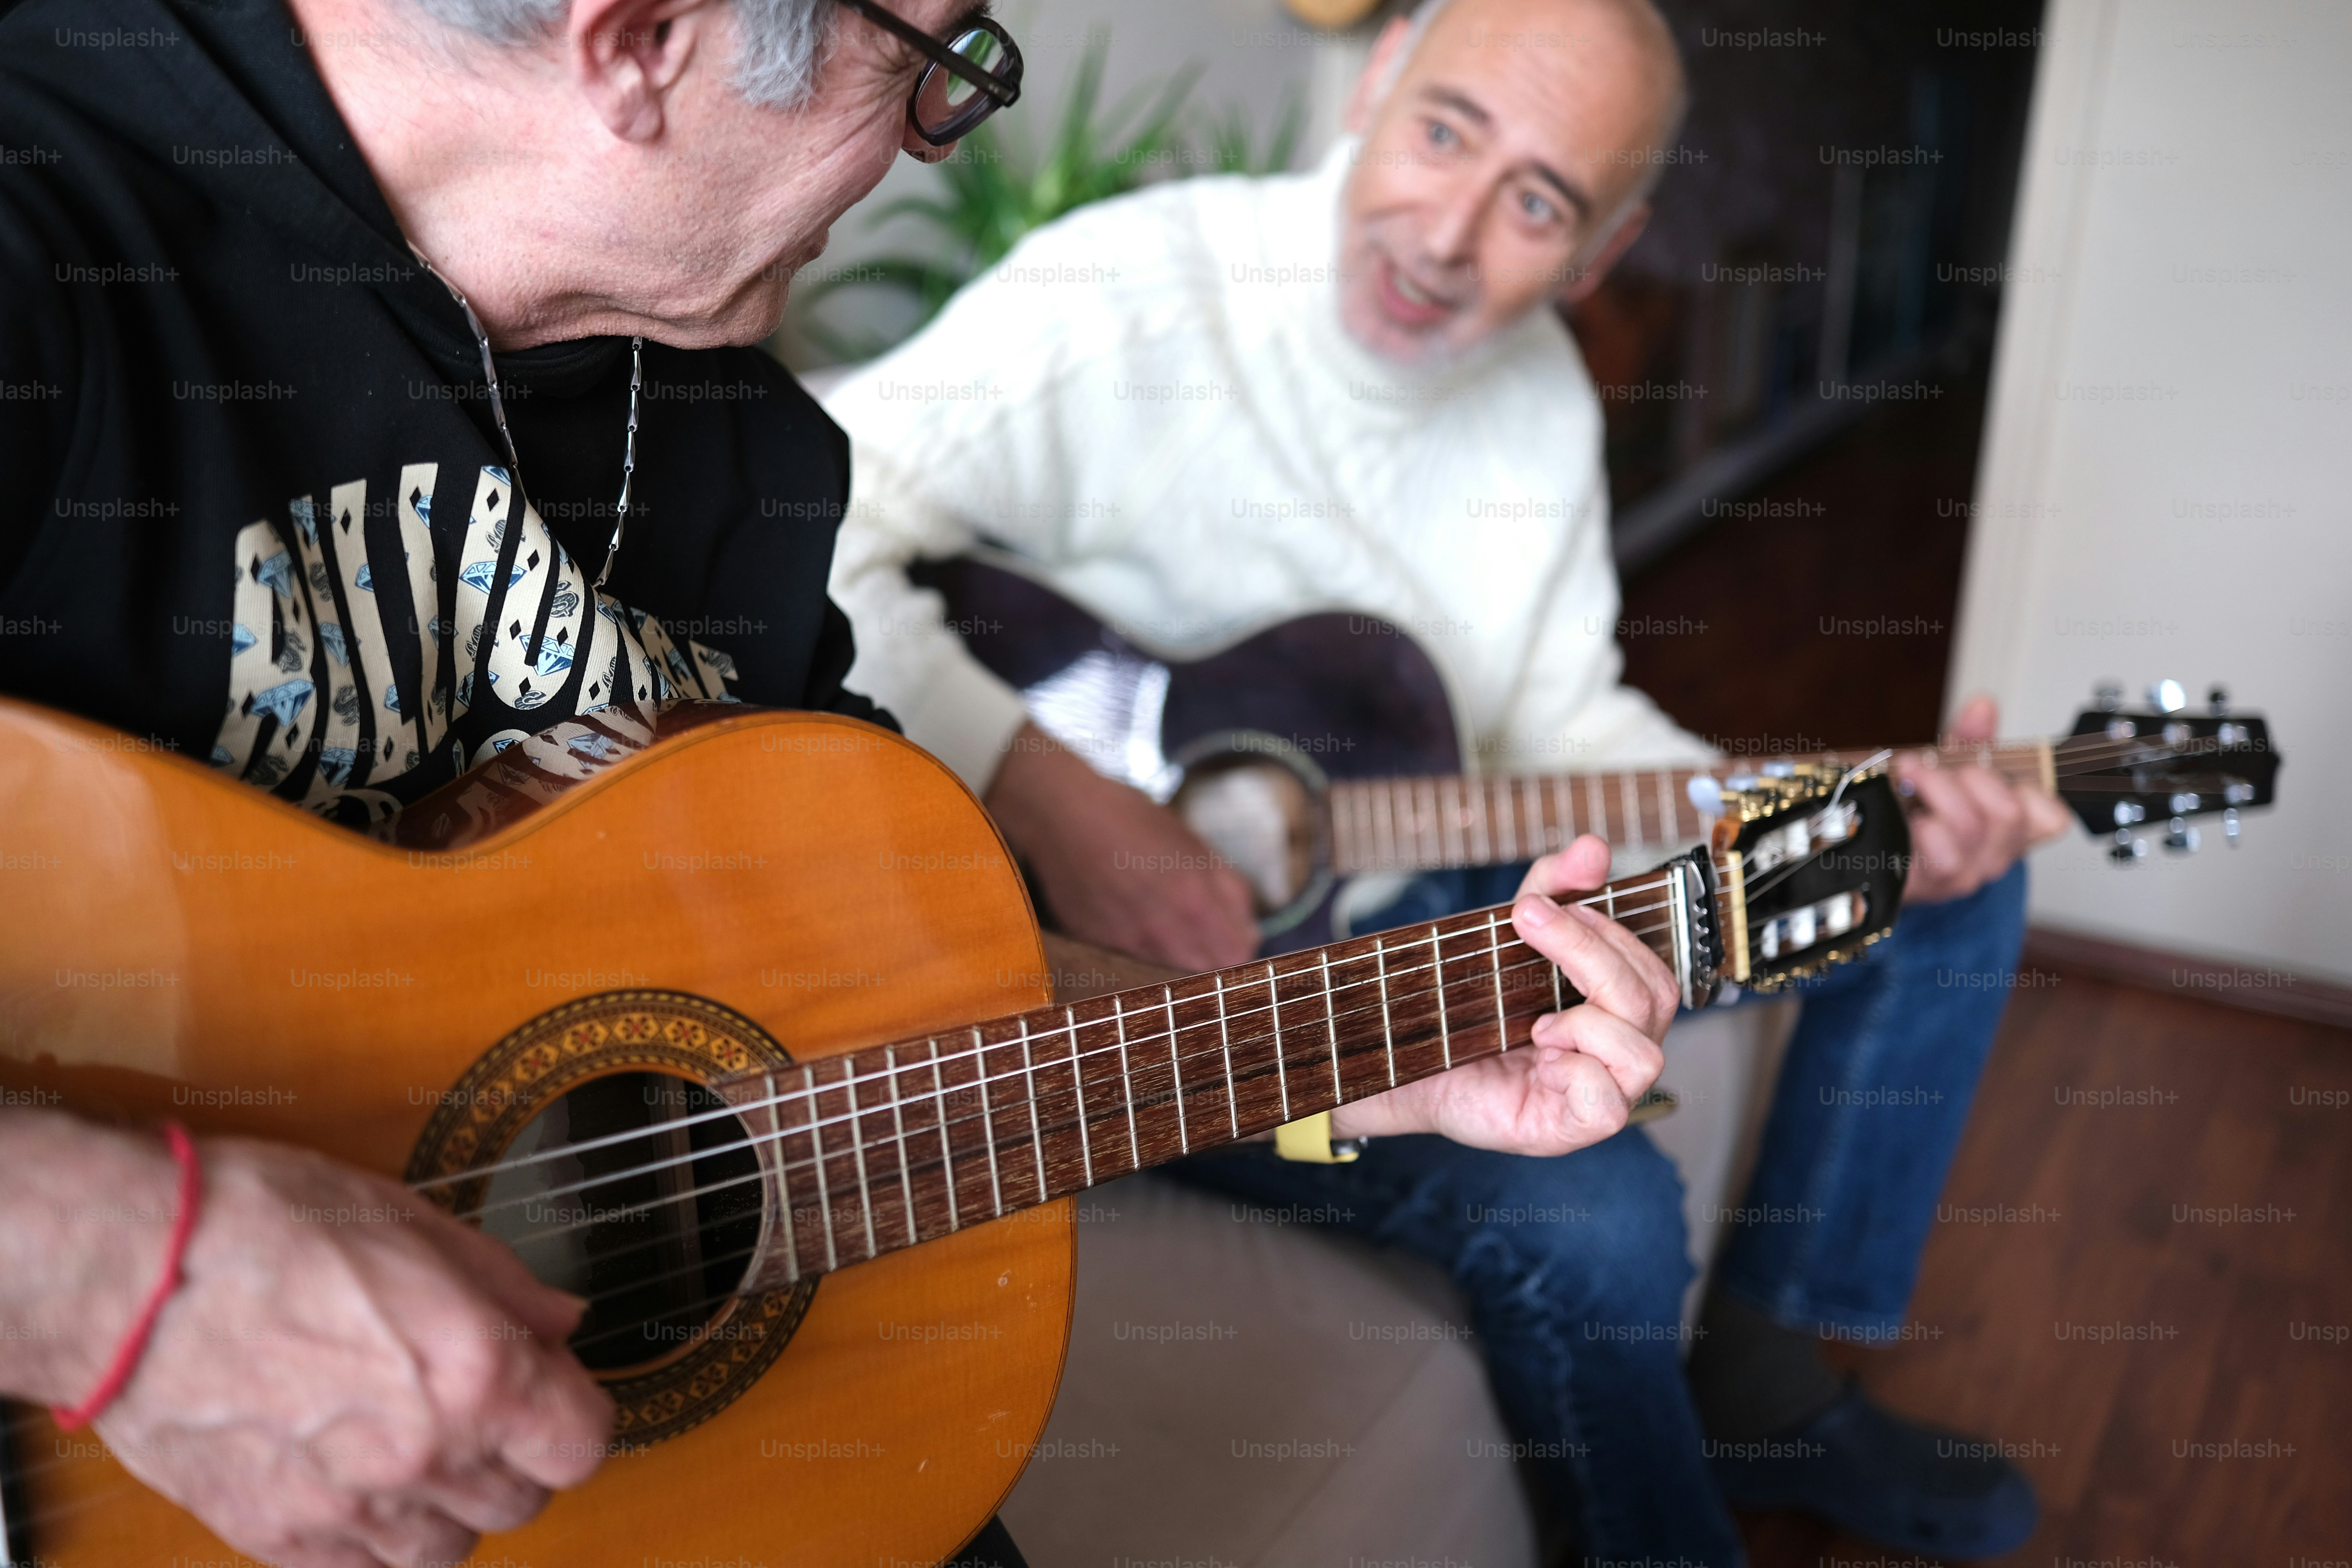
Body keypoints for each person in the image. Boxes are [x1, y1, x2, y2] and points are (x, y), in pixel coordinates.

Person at [0, 0, 1683, 1564]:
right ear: (646, 42)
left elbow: (888, 1004)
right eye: (935, 60)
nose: (934, 135)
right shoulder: (46, 230)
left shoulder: (740, 430)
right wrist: (130, 1281)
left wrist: (1363, 1052)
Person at [821, 0, 2075, 1560]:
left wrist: (1827, 794)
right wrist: (1064, 805)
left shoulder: (1539, 397)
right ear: (1381, 82)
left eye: (1540, 201)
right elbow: (808, 520)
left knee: (1930, 882)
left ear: (1601, 251)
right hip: (1153, 976)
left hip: (1415, 866)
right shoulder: (1130, 293)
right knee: (1594, 1204)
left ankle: (1766, 1375)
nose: (1449, 233)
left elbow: (1564, 721)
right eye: (1445, 132)